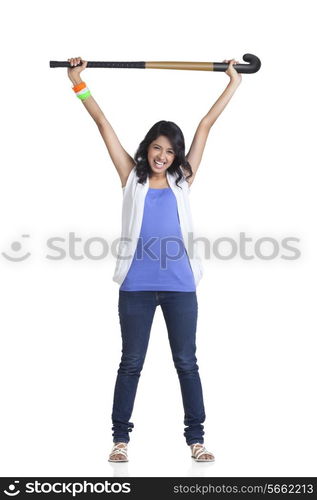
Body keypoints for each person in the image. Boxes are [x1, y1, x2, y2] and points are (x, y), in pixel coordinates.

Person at [67, 56, 242, 462]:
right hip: (137, 288)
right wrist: (78, 82)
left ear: (177, 155)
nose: (163, 155)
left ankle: (196, 440)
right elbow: (104, 125)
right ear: (147, 148)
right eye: (157, 148)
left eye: (170, 151)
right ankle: (120, 440)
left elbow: (204, 126)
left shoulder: (184, 180)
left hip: (181, 287)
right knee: (131, 363)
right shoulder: (131, 176)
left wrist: (232, 83)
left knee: (186, 362)